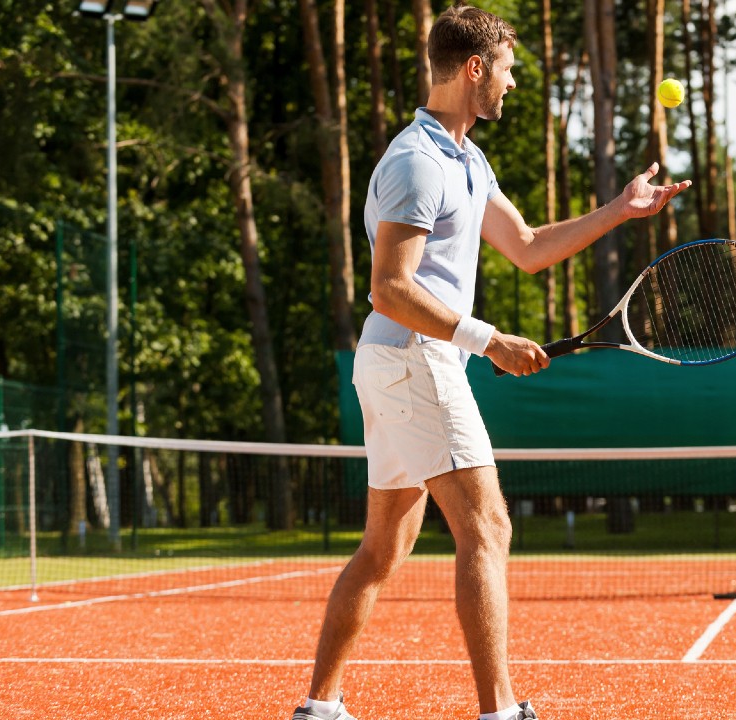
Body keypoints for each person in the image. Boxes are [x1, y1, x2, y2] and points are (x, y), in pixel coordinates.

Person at [289, 5, 691, 720]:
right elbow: (389, 287)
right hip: (416, 357)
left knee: (385, 546)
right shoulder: (417, 161)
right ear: (475, 68)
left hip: (397, 362)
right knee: (488, 527)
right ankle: (500, 711)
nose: (510, 85)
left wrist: (620, 210)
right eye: (505, 70)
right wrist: (487, 339)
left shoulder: (465, 158)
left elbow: (530, 247)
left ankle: (319, 706)